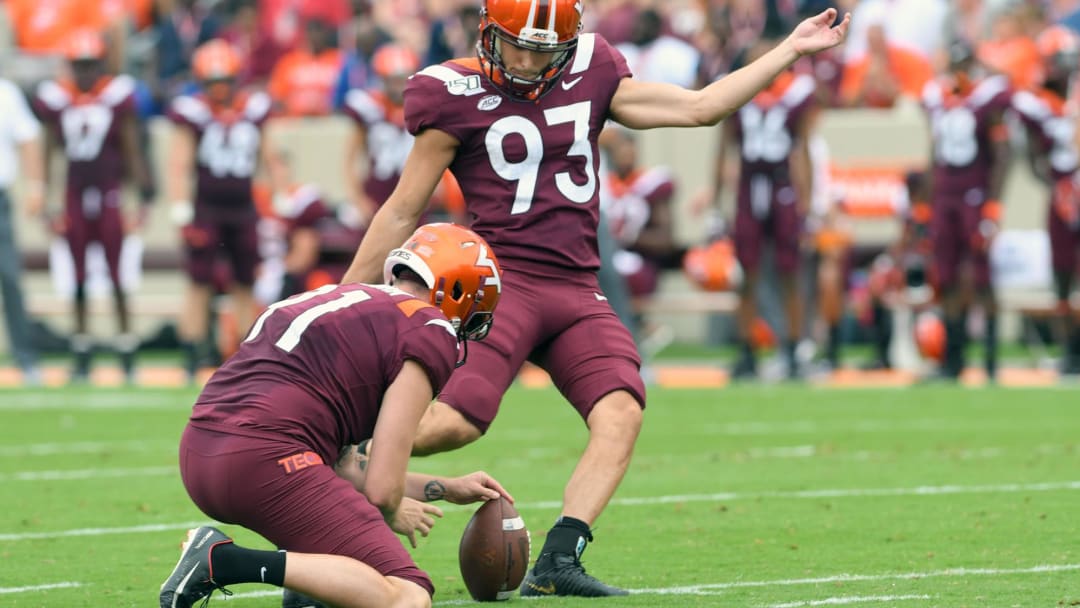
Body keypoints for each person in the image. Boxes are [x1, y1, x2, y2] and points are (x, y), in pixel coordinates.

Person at [340, 0, 849, 596]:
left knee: (621, 412)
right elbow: (404, 206)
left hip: (579, 284)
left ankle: (559, 560)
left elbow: (701, 106)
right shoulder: (450, 92)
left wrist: (790, 49)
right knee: (451, 424)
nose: (528, 62)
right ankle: (340, 470)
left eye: (542, 51)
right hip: (501, 286)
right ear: (486, 33)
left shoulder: (593, 67)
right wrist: (346, 294)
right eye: (516, 46)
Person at [159, 223, 508, 608]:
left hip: (200, 454)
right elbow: (380, 489)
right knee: (408, 596)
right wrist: (392, 508)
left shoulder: (334, 297)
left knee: (348, 575)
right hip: (266, 460)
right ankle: (225, 562)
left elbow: (344, 466)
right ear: (457, 291)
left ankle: (309, 590)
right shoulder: (429, 327)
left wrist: (444, 487)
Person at [33, 28, 156, 384]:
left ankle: (126, 349)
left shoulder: (117, 97)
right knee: (78, 277)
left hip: (110, 192)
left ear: (101, 65)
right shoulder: (57, 98)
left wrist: (142, 196)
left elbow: (132, 149)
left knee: (118, 275)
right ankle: (82, 350)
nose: (85, 72)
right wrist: (46, 197)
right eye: (79, 65)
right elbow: (48, 151)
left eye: (90, 64)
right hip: (73, 193)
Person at [702, 35, 820, 380]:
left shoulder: (797, 93)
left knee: (789, 271)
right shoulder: (738, 93)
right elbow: (723, 148)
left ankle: (795, 348)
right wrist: (715, 199)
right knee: (747, 272)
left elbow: (803, 148)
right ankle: (747, 349)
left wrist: (808, 203)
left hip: (781, 184)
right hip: (750, 185)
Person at [166, 39, 284, 382]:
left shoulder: (254, 109)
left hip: (243, 207)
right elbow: (180, 162)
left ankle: (246, 352)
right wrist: (180, 205)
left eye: (225, 81)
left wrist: (279, 194)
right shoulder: (194, 112)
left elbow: (270, 155)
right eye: (213, 83)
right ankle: (192, 353)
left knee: (245, 282)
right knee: (199, 282)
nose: (220, 90)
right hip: (207, 208)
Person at [921, 41, 1012, 382]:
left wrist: (993, 204)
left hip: (974, 193)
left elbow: (1003, 154)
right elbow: (933, 153)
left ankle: (989, 362)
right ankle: (953, 360)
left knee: (981, 275)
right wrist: (923, 204)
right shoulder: (937, 98)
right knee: (944, 276)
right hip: (945, 194)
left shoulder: (987, 98)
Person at [1012, 26, 1080, 375]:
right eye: (1060, 60)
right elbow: (1033, 154)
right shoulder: (1037, 101)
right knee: (1063, 275)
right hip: (1063, 197)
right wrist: (1054, 184)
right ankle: (1070, 350)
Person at [342, 43, 421, 226]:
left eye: (404, 79)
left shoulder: (423, 108)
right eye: (394, 80)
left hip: (414, 193)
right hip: (378, 191)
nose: (399, 87)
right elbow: (349, 160)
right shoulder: (370, 107)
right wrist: (357, 198)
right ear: (382, 79)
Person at [0, 74, 45, 385]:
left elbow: (28, 137)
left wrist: (35, 185)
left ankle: (26, 357)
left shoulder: (5, 93)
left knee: (10, 276)